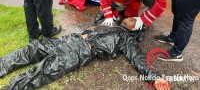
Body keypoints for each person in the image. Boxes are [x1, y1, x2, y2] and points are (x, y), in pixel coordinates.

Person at [0, 18, 170, 90]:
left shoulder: (121, 35)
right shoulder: (112, 26)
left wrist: (154, 77)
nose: (132, 18)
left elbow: (137, 59)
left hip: (75, 48)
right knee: (32, 54)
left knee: (37, 72)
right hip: (71, 44)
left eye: (134, 20)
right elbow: (137, 58)